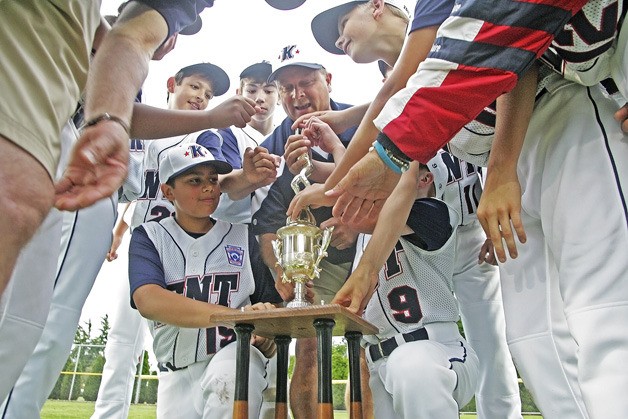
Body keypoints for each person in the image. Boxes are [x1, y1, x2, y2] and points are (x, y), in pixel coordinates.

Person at [0, 0, 246, 403]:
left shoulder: (114, 55)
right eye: (170, 25)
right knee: (52, 320)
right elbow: (120, 111)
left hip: (133, 217)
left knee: (47, 317)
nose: (170, 34)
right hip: (83, 180)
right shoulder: (106, 50)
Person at [308, 2, 521, 417]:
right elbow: (386, 139)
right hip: (427, 217)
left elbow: (400, 91)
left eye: (341, 23)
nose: (338, 38)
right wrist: (329, 159)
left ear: (375, 6)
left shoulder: (450, 26)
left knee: (496, 346)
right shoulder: (390, 81)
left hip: (475, 212)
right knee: (413, 344)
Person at [91, 61, 265, 419]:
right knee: (123, 338)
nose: (202, 97)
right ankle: (108, 413)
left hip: (186, 250)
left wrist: (244, 179)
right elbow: (138, 197)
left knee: (186, 339)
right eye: (196, 87)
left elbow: (223, 182)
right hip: (151, 245)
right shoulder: (146, 128)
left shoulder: (205, 136)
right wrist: (121, 229)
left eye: (209, 94)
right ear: (172, 84)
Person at [249, 46, 370, 418]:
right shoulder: (271, 145)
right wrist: (281, 272)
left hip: (369, 248)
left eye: (306, 83)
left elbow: (388, 181)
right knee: (308, 344)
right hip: (314, 263)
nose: (297, 95)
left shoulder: (360, 122)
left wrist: (357, 218)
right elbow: (265, 225)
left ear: (328, 80)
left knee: (363, 347)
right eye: (286, 88)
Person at [129, 143, 280, 418]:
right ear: (167, 191)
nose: (209, 187)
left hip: (234, 355)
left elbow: (271, 303)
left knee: (230, 378)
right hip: (174, 372)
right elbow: (148, 300)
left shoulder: (243, 237)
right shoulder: (148, 236)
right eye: (195, 181)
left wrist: (268, 330)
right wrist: (238, 316)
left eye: (212, 179)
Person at [335, 153, 479, 418]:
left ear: (424, 177)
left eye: (392, 170)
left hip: (438, 350)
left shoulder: (437, 212)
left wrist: (328, 186)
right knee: (402, 367)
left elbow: (368, 214)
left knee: (411, 365)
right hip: (381, 363)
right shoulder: (368, 243)